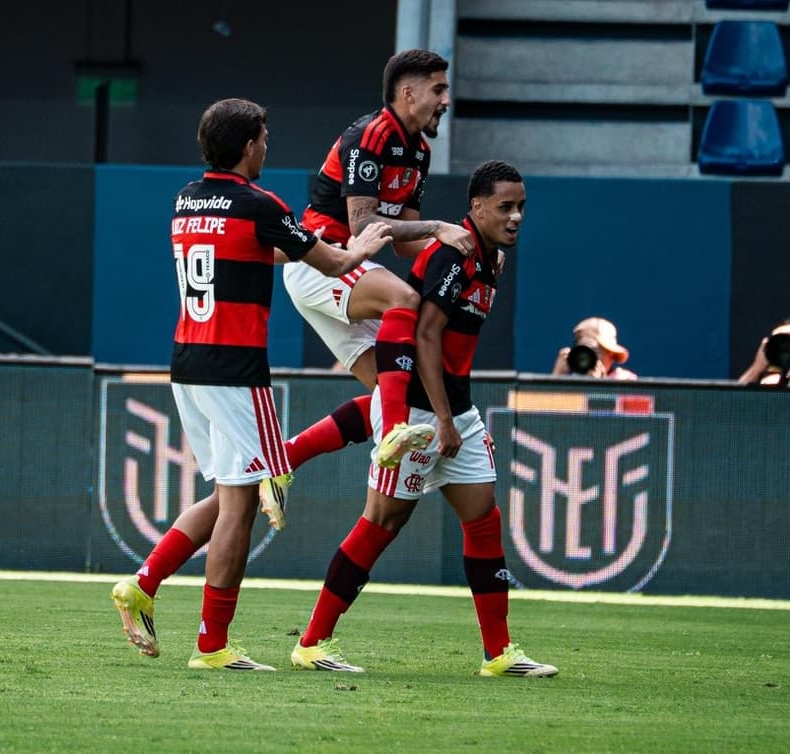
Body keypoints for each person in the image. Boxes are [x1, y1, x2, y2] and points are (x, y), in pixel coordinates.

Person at [110, 98, 392, 670]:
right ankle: (212, 646)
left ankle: (145, 582)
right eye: (264, 137)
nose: (268, 145)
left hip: (188, 361)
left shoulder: (186, 199)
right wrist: (364, 245)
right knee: (243, 502)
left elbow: (239, 253)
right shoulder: (259, 205)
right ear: (247, 147)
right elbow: (332, 265)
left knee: (226, 496)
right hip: (236, 370)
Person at [290, 160, 558, 678]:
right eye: (505, 206)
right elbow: (425, 336)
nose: (517, 215)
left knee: (484, 520)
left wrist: (456, 415)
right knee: (382, 523)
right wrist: (442, 419)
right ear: (476, 208)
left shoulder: (488, 258)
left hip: (456, 409)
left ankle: (499, 654)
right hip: (420, 410)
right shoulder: (450, 257)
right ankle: (311, 641)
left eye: (521, 206)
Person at [280, 48, 481, 477]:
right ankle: (393, 431)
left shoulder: (419, 153)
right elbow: (361, 225)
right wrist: (439, 228)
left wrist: (468, 257)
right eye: (439, 89)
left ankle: (285, 459)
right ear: (408, 93)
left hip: (345, 269)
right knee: (403, 298)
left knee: (398, 390)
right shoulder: (370, 135)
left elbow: (404, 244)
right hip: (324, 260)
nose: (446, 100)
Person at [550, 317, 637, 380]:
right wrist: (556, 379)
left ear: (611, 354)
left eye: (594, 351)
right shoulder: (569, 384)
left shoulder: (626, 381)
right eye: (582, 349)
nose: (585, 357)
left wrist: (599, 387)